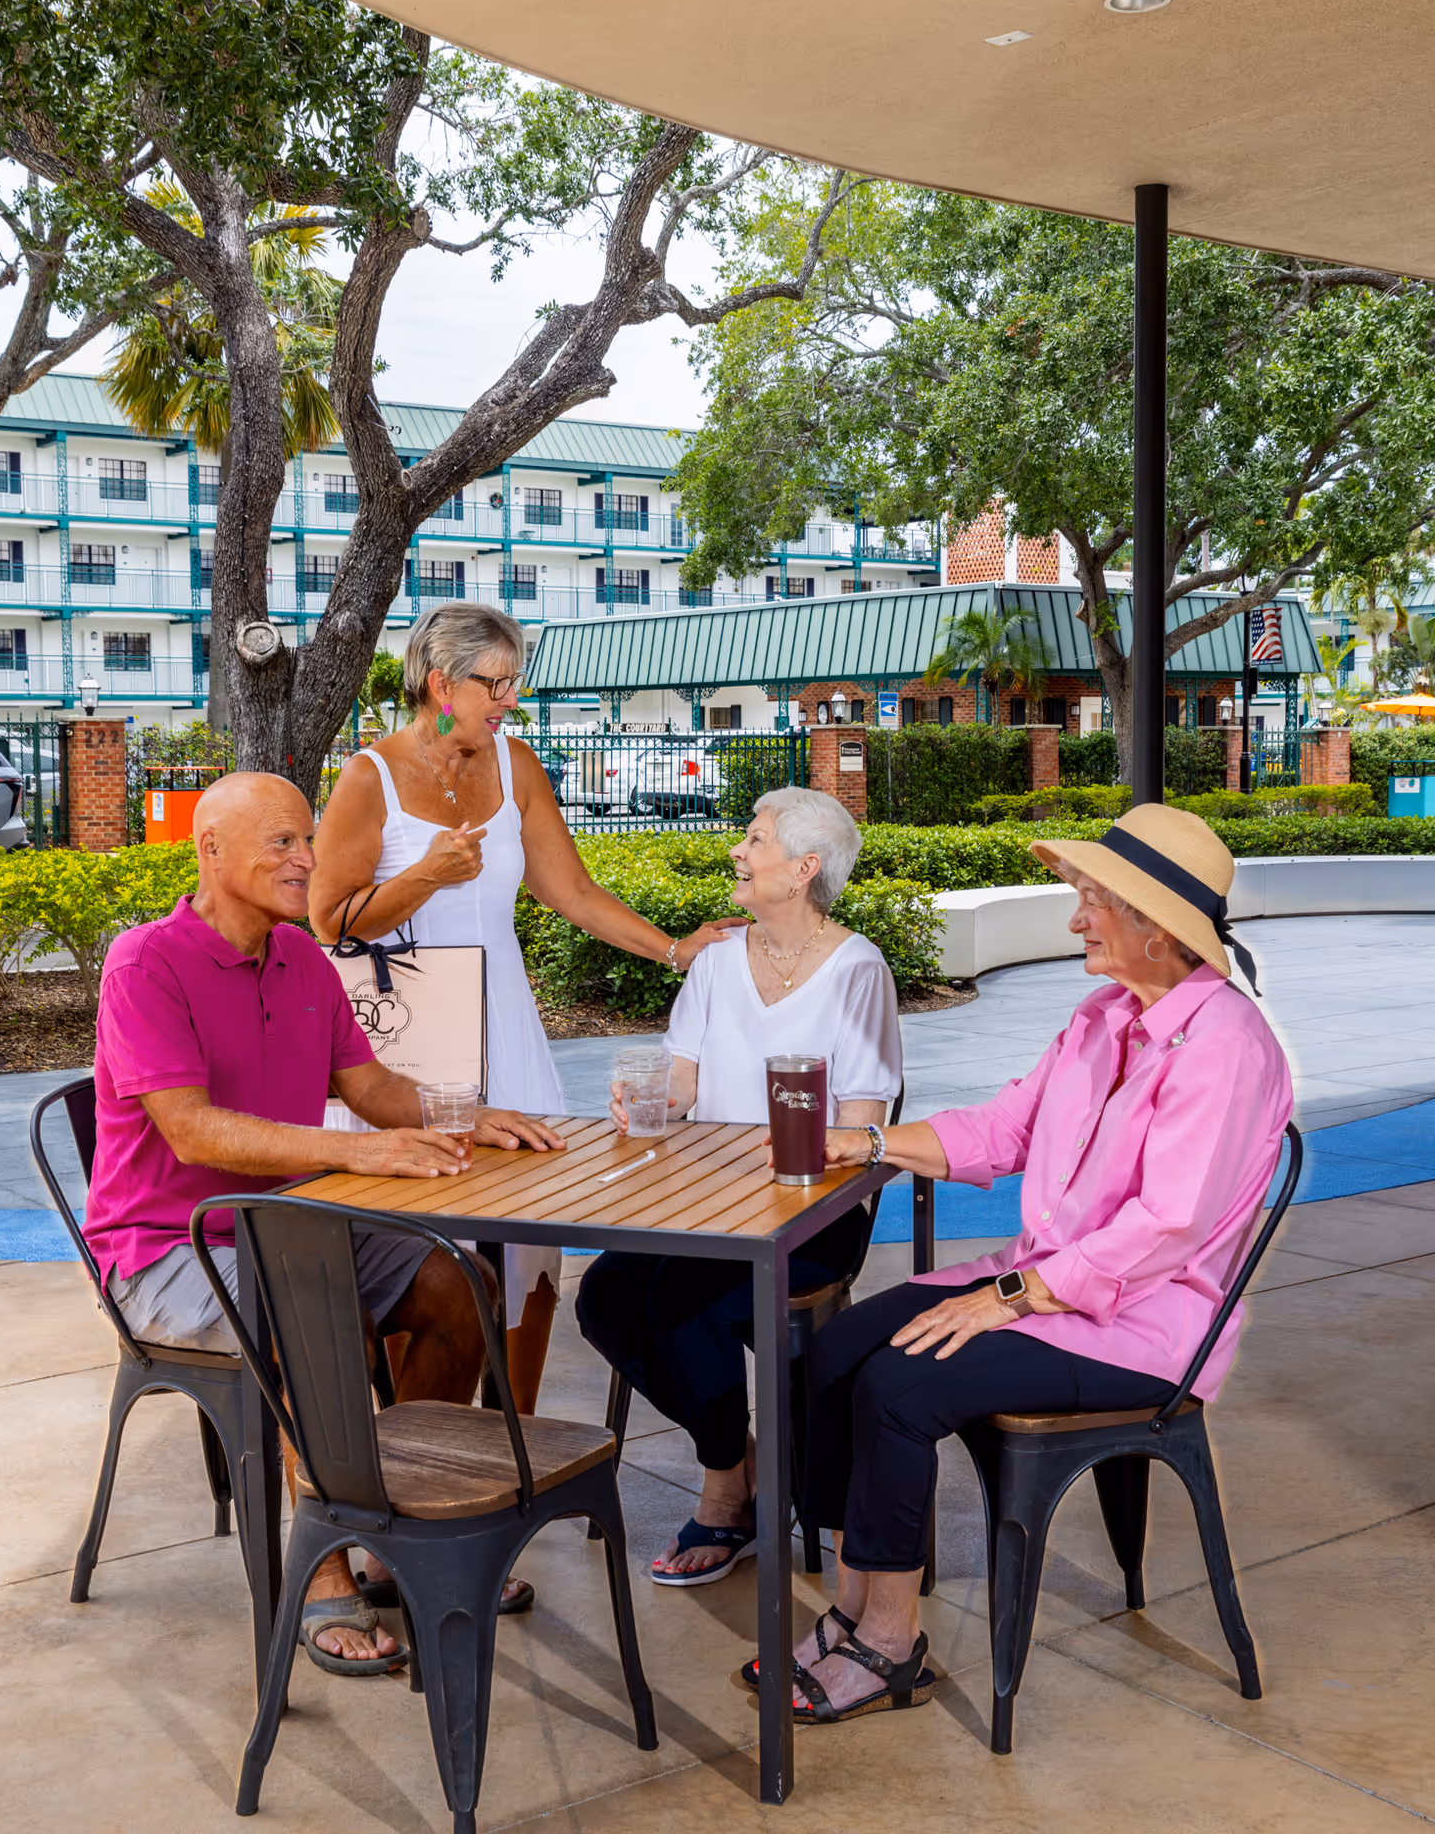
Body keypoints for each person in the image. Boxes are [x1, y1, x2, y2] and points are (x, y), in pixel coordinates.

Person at [756, 802, 1292, 1725]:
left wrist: (1011, 1295)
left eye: (1092, 900)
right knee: (835, 1350)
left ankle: (887, 1645)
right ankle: (852, 1607)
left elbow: (1167, 1225)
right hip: (1051, 1287)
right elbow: (1004, 1129)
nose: (1076, 916)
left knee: (897, 1385)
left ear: (1155, 927)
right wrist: (871, 1140)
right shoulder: (1104, 1015)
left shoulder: (1226, 1048)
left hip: (1140, 1324)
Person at [84, 771, 564, 1679]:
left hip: (289, 1228)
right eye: (282, 843)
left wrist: (466, 1115)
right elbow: (189, 1128)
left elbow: (369, 1086)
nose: (307, 858)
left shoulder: (303, 958)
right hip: (166, 1250)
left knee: (460, 1284)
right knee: (317, 1320)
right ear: (210, 849)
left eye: (307, 839)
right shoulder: (145, 962)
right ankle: (322, 1566)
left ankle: (400, 1526)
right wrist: (354, 1155)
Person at [309, 604, 742, 1413]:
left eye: (515, 682)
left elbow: (569, 891)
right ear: (441, 683)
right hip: (408, 1040)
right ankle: (422, 1455)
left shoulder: (517, 765)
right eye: (497, 684)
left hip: (503, 1021)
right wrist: (425, 876)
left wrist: (676, 949)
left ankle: (518, 1444)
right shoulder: (369, 777)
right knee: (424, 1243)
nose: (511, 700)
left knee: (530, 1244)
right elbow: (329, 920)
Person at [576, 788, 902, 1584]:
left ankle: (725, 1494)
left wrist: (788, 1173)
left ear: (803, 869)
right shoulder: (719, 960)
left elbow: (862, 1124)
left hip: (811, 1213)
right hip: (707, 1202)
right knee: (605, 1297)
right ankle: (741, 1454)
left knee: (678, 1302)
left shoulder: (858, 970)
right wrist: (645, 1098)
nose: (737, 851)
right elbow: (680, 1082)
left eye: (754, 841)